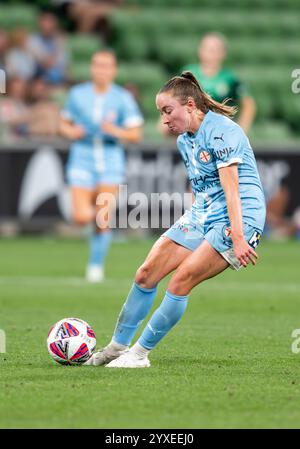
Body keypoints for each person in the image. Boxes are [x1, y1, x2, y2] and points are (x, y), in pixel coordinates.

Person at [85, 71, 266, 368]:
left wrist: (238, 236)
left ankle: (140, 355)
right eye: (160, 113)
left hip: (240, 215)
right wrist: (190, 223)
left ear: (191, 106)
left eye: (168, 111)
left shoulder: (222, 131)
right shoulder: (185, 140)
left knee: (181, 280)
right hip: (205, 211)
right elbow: (200, 185)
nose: (164, 120)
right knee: (146, 272)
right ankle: (117, 347)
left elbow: (231, 188)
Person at [59, 50, 143, 282]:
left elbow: (136, 134)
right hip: (82, 157)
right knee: (81, 216)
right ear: (91, 68)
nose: (101, 70)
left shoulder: (123, 98)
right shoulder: (77, 94)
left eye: (106, 66)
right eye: (97, 65)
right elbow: (63, 124)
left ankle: (95, 266)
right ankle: (102, 223)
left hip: (110, 160)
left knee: (102, 218)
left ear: (114, 70)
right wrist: (72, 131)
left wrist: (114, 130)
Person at [182, 33, 256, 133]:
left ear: (223, 53)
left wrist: (241, 130)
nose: (212, 53)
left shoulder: (230, 78)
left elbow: (248, 105)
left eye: (216, 49)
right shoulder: (188, 73)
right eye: (208, 49)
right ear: (200, 51)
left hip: (219, 133)